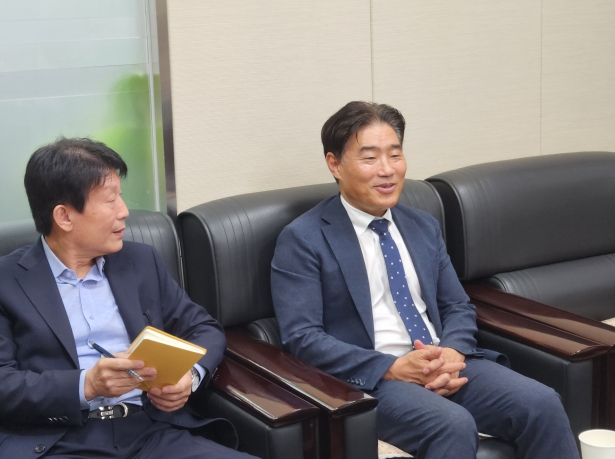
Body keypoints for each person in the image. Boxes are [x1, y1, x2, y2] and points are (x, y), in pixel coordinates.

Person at [270, 101, 580, 458]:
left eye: (395, 155)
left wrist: (451, 352)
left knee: (541, 403)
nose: (387, 170)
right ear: (335, 164)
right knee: (452, 424)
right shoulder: (304, 238)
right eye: (370, 158)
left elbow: (457, 305)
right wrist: (392, 367)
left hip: (443, 359)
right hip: (375, 378)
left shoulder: (422, 226)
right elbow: (302, 337)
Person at [0, 138, 255, 458]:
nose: (124, 211)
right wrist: (87, 385)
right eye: (110, 200)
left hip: (152, 431)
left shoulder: (140, 261)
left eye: (120, 196)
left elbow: (203, 328)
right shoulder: (7, 281)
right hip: (59, 441)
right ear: (64, 217)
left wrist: (189, 377)